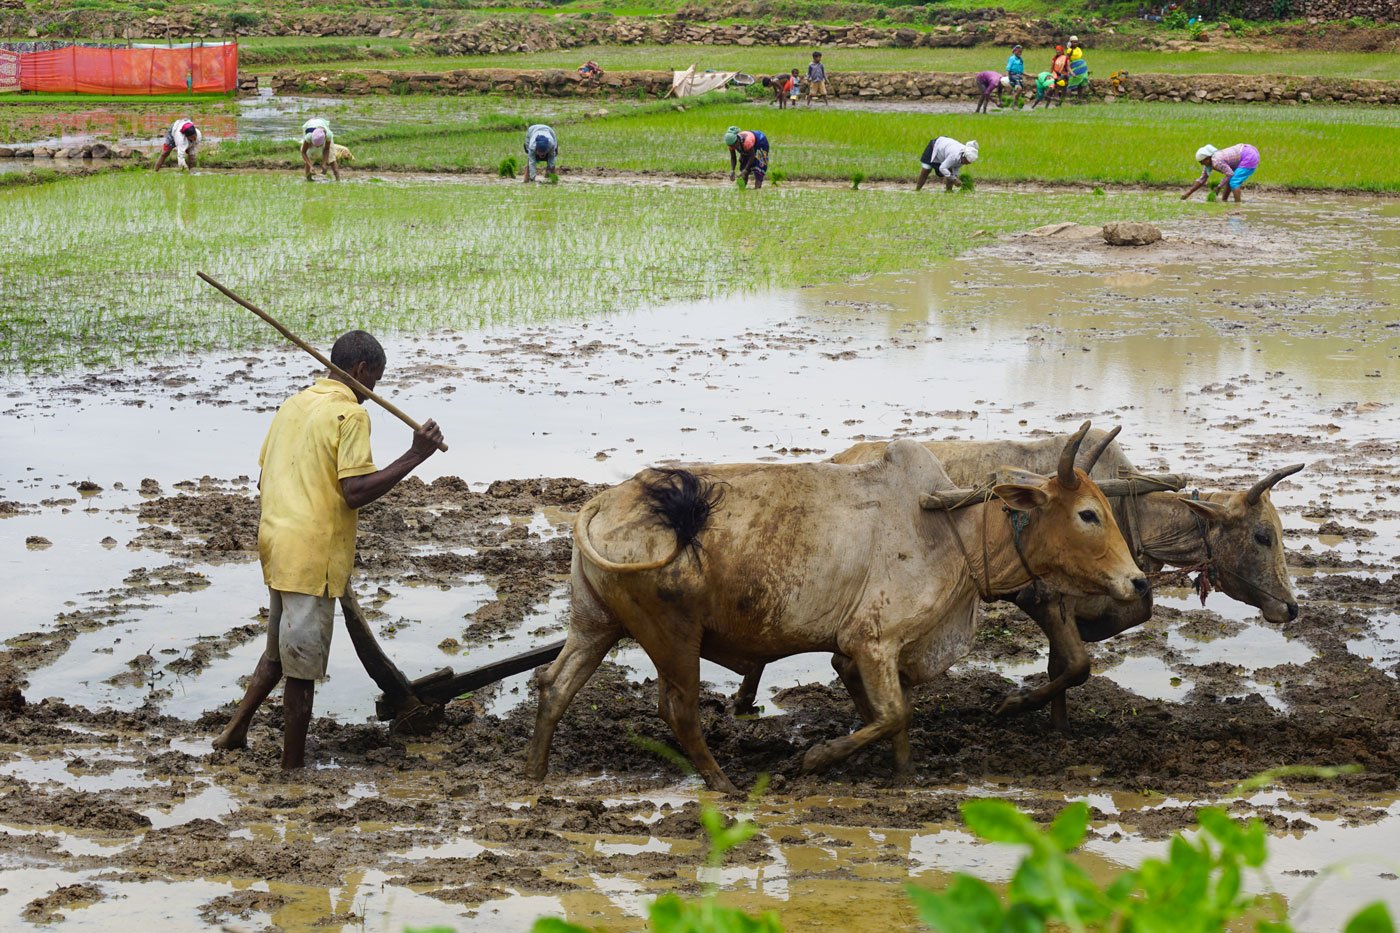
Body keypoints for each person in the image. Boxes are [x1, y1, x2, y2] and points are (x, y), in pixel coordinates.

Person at [212, 331, 445, 769]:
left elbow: (265, 479)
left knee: (279, 652)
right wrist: (415, 456)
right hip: (312, 553)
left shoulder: (292, 406)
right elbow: (354, 492)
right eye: (373, 383)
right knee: (302, 669)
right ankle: (292, 768)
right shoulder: (349, 415)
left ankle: (235, 730)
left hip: (277, 542)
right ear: (359, 372)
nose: (372, 396)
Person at [1181, 143, 1261, 203]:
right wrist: (1188, 193)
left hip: (1249, 155)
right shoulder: (1209, 164)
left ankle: (1237, 206)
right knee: (1228, 180)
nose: (1202, 164)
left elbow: (1230, 174)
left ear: (1208, 158)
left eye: (1202, 162)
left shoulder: (1216, 161)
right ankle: (1224, 201)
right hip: (1246, 150)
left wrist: (1219, 187)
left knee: (1234, 182)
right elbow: (1202, 179)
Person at [300, 118, 340, 182]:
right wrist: (310, 166)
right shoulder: (309, 136)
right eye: (315, 145)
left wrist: (324, 163)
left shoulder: (328, 135)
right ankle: (309, 179)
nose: (318, 147)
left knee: (331, 156)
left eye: (319, 146)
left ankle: (338, 179)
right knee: (309, 154)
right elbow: (303, 152)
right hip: (310, 126)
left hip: (322, 127)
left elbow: (326, 149)